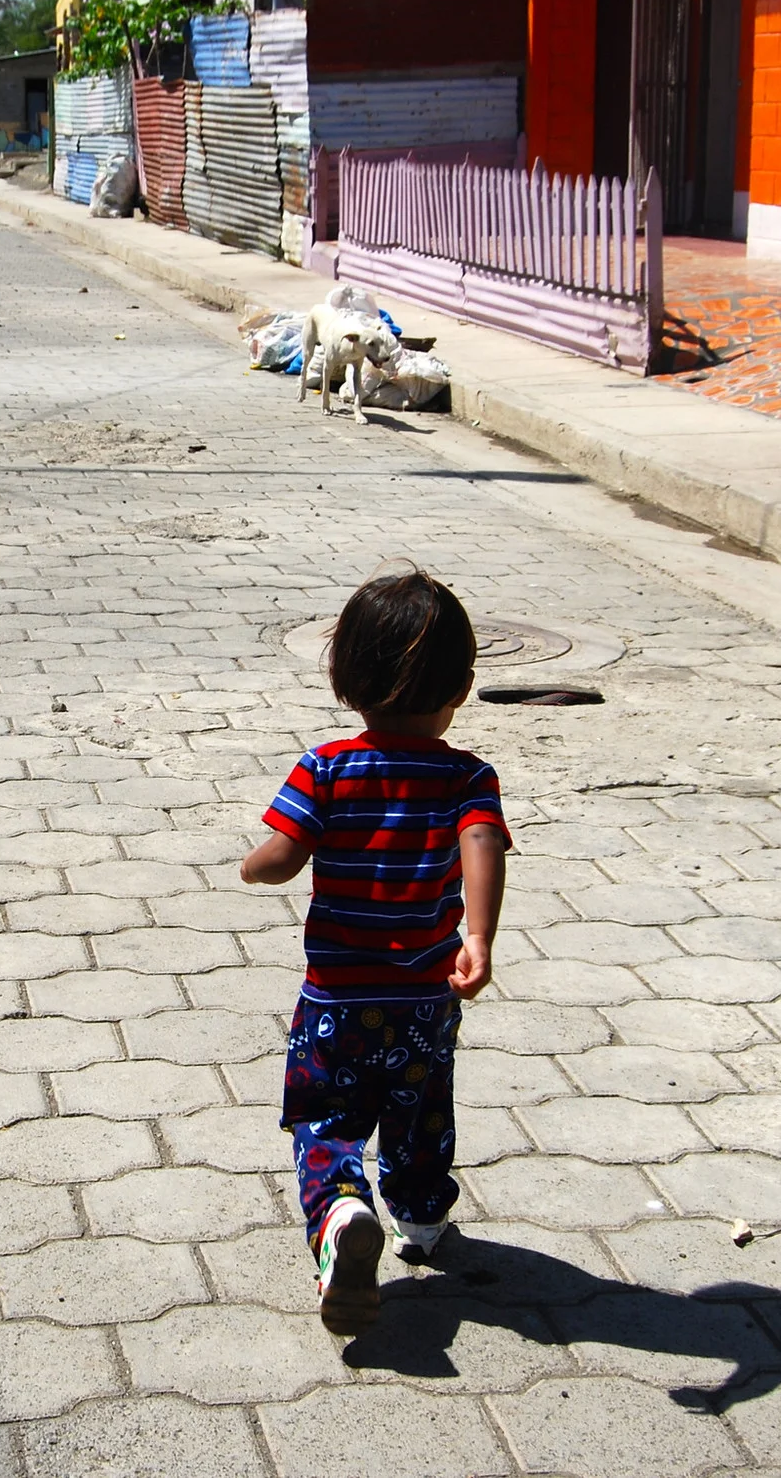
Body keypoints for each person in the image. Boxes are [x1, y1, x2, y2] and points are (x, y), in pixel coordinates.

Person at [238, 567, 509, 1336]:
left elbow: (282, 856)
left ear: (343, 679)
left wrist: (252, 864)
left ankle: (339, 1214)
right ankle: (421, 1224)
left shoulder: (326, 767)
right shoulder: (468, 776)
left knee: (324, 1120)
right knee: (420, 1112)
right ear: (462, 684)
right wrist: (479, 938)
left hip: (335, 1002)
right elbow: (483, 842)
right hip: (424, 1001)